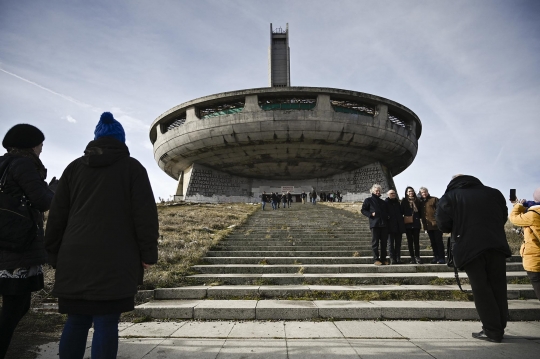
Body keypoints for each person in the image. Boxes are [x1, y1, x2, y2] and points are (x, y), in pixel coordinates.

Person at [44, 112, 159, 358]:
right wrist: (148, 253)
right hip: (116, 259)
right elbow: (145, 216)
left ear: (96, 139)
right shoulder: (133, 168)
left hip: (74, 258)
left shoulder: (74, 168)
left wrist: (53, 253)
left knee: (76, 320)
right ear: (121, 140)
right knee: (106, 322)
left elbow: (57, 216)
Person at [0, 124, 55, 359]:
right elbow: (42, 200)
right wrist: (55, 189)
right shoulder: (23, 164)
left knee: (17, 306)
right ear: (31, 145)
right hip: (17, 247)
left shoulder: (3, 163)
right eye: (40, 144)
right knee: (16, 306)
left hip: (6, 244)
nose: (42, 149)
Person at [437, 174, 511, 343]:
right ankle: (499, 326)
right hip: (496, 245)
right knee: (498, 286)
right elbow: (503, 217)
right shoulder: (494, 193)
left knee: (481, 288)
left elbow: (443, 224)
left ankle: (492, 330)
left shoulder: (450, 196)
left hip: (469, 247)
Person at [508, 187, 540, 300]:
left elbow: (513, 218)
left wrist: (518, 205)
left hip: (536, 261)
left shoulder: (533, 215)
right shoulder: (533, 214)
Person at [361, 184, 390, 265]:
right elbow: (363, 210)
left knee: (384, 243)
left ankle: (383, 259)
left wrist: (387, 216)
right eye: (376, 191)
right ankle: (376, 259)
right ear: (373, 191)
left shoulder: (383, 202)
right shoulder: (368, 200)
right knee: (375, 243)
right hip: (375, 224)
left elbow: (387, 212)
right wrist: (370, 214)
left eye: (379, 191)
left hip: (384, 224)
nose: (378, 192)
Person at [419, 187, 445, 264]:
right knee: (433, 242)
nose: (424, 194)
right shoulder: (421, 202)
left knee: (439, 242)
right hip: (428, 226)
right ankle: (436, 257)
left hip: (436, 225)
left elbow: (440, 211)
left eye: (425, 192)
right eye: (422, 192)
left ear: (427, 192)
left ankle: (441, 258)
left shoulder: (434, 199)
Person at [400, 186, 423, 264]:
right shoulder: (404, 201)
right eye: (409, 191)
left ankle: (417, 256)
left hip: (416, 223)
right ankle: (412, 257)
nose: (411, 193)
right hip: (408, 224)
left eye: (412, 191)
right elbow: (401, 211)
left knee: (416, 241)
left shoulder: (418, 201)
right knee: (410, 241)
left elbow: (420, 212)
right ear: (406, 193)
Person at [385, 189, 405, 264]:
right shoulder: (386, 203)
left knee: (398, 244)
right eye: (391, 193)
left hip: (398, 227)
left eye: (394, 193)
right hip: (390, 227)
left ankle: (398, 258)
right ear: (388, 194)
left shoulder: (397, 203)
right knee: (390, 244)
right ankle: (392, 259)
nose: (393, 194)